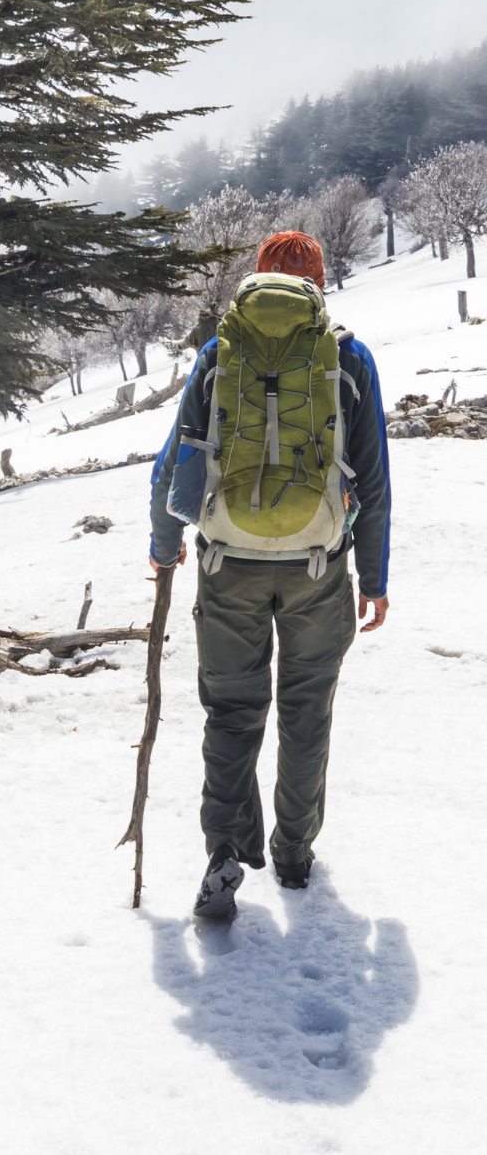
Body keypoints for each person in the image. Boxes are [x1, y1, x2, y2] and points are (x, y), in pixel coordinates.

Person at [148, 231, 390, 920]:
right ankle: (292, 853)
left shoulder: (220, 351)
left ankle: (225, 846)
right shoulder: (347, 355)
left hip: (229, 564)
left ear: (257, 280)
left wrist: (165, 545)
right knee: (306, 712)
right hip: (319, 566)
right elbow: (371, 476)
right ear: (320, 283)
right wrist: (372, 576)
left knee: (232, 711)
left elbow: (175, 463)